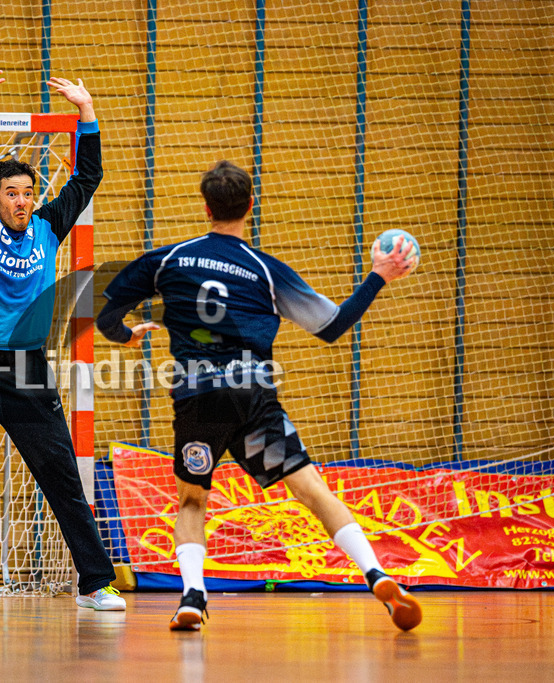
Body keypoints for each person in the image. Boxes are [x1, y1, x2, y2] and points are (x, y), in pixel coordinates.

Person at [95, 160, 422, 631]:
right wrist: (378, 277)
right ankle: (377, 574)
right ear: (250, 206)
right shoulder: (266, 271)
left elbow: (106, 312)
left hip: (197, 397)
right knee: (311, 490)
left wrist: (124, 335)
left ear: (206, 207)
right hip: (252, 394)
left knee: (192, 501)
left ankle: (192, 596)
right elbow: (333, 326)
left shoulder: (167, 260)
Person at [0, 68, 124, 610]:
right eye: (11, 193)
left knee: (60, 472)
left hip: (28, 369)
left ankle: (94, 582)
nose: (21, 201)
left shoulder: (49, 227)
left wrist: (86, 111)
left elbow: (87, 178)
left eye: (27, 193)